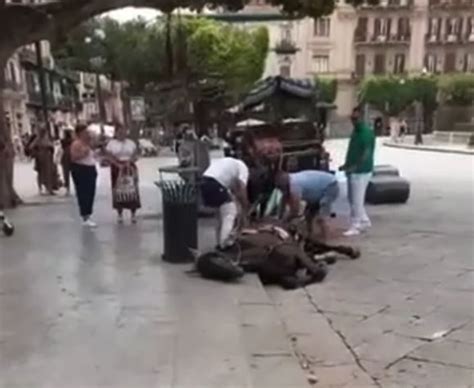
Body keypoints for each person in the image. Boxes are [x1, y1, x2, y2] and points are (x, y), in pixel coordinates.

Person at [340, 107, 376, 237]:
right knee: (352, 198)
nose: (353, 121)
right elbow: (352, 151)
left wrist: (355, 166)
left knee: (356, 200)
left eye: (355, 118)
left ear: (361, 117)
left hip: (361, 171)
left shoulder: (365, 133)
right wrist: (346, 165)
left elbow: (366, 153)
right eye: (352, 118)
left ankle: (356, 225)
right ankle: (364, 220)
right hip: (353, 169)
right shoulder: (356, 131)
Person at [275, 170, 339, 242]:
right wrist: (279, 217)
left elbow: (295, 210)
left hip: (330, 186)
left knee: (321, 217)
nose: (281, 191)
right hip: (318, 190)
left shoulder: (294, 186)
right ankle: (310, 234)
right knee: (308, 215)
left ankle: (326, 239)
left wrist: (285, 220)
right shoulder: (290, 179)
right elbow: (284, 199)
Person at [201, 157, 249, 250]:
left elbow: (234, 192)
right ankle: (226, 244)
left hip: (205, 183)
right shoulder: (244, 168)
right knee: (230, 212)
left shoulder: (230, 164)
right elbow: (242, 189)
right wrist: (245, 206)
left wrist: (238, 202)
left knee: (219, 216)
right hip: (216, 183)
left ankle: (219, 243)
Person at [105, 124, 141, 224]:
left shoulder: (131, 143)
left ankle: (133, 214)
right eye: (119, 132)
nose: (122, 133)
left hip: (130, 166)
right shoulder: (111, 144)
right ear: (116, 133)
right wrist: (117, 164)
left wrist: (130, 162)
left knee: (132, 189)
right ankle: (119, 213)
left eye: (124, 131)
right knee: (118, 190)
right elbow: (109, 156)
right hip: (117, 167)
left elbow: (136, 154)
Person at [70, 124, 98, 228]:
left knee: (91, 192)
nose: (87, 134)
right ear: (80, 133)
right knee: (83, 193)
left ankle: (88, 214)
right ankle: (85, 216)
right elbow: (73, 158)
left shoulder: (88, 144)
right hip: (81, 169)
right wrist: (84, 153)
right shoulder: (76, 144)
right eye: (85, 132)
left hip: (90, 168)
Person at [29, 129, 57, 195]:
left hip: (47, 158)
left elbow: (51, 146)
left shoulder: (46, 139)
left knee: (48, 173)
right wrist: (37, 152)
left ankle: (49, 189)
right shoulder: (37, 139)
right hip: (41, 158)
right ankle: (41, 188)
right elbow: (31, 147)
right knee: (41, 173)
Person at [60, 130, 73, 195]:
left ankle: (68, 189)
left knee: (66, 174)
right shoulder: (73, 140)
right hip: (72, 156)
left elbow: (62, 146)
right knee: (74, 174)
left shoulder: (63, 141)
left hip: (65, 157)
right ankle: (75, 187)